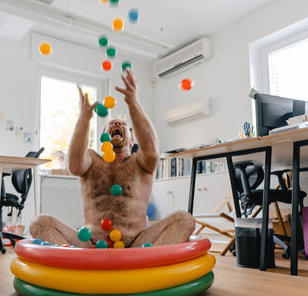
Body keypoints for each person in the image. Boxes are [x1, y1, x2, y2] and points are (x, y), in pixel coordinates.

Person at [30, 69, 195, 247]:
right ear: (102, 137)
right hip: (90, 243)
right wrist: (84, 119)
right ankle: (87, 264)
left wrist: (133, 102)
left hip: (137, 243)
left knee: (184, 219)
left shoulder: (140, 162)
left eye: (123, 125)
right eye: (111, 125)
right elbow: (74, 165)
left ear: (131, 141)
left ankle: (138, 264)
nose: (116, 124)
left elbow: (152, 149)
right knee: (40, 223)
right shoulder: (92, 160)